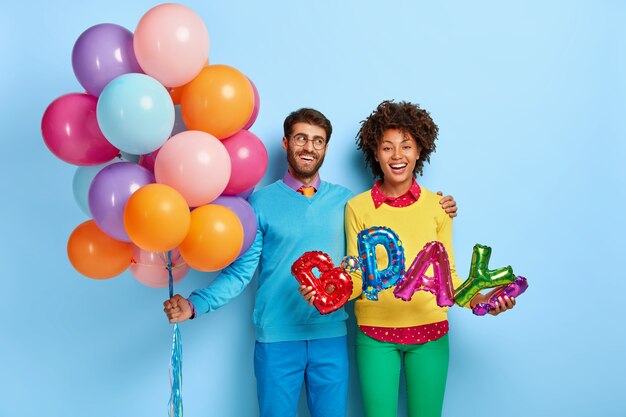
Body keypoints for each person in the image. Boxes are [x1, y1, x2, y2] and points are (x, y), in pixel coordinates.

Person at [163, 108, 458, 417]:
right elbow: (241, 272)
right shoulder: (260, 203)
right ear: (286, 142)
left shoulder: (347, 203)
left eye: (318, 141)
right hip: (276, 341)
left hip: (330, 339)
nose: (309, 147)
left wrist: (434, 204)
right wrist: (196, 304)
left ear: (326, 148)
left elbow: (377, 250)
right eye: (301, 138)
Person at [302, 100, 515, 417]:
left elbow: (449, 277)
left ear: (419, 152)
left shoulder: (439, 207)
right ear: (376, 153)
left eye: (406, 146)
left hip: (430, 333)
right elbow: (358, 275)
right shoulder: (357, 208)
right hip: (374, 335)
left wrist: (482, 300)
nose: (397, 156)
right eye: (387, 148)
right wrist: (327, 293)